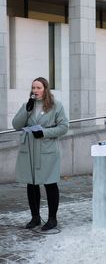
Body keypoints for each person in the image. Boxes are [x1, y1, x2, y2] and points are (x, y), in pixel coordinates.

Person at [12, 77, 69, 231]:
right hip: (29, 150)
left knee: (50, 183)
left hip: (47, 151)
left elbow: (64, 127)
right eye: (33, 88)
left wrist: (44, 132)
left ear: (45, 89)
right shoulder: (27, 105)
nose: (35, 91)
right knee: (31, 184)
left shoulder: (56, 106)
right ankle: (35, 217)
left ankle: (52, 219)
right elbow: (16, 125)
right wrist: (26, 110)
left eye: (38, 88)